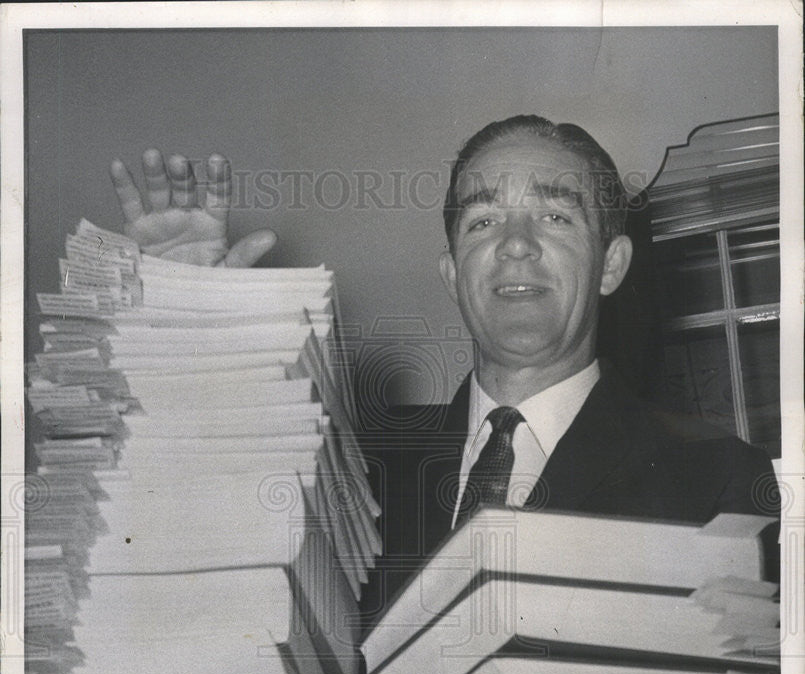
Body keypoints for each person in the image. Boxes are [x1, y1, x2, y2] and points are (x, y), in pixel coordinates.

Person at [110, 118, 779, 615]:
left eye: (553, 215)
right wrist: (189, 329)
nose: (516, 245)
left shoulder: (718, 478)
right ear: (453, 274)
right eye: (483, 221)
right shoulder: (347, 474)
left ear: (609, 265)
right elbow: (201, 577)